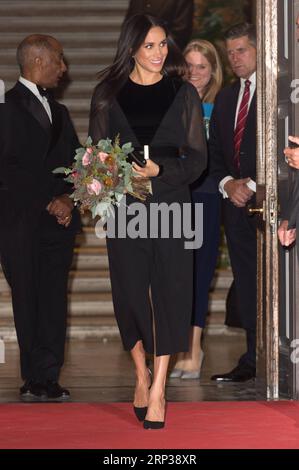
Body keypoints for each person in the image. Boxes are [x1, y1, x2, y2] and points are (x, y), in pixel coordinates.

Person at [89, 14, 207, 428]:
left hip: (173, 206)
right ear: (132, 48)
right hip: (125, 211)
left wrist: (161, 172)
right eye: (150, 46)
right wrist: (105, 176)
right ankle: (140, 372)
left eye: (162, 45)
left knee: (172, 294)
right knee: (131, 294)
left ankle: (158, 390)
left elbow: (197, 158)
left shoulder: (183, 93)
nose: (159, 54)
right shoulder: (107, 93)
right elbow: (98, 155)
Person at [0, 35, 81, 401]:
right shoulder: (5, 107)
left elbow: (78, 164)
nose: (63, 70)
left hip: (58, 224)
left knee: (53, 300)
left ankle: (48, 376)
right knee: (28, 299)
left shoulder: (61, 112)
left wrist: (68, 198)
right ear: (36, 60)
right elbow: (7, 169)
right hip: (19, 222)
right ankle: (33, 376)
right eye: (59, 61)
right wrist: (50, 200)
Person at [169, 39, 223, 379]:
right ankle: (176, 346)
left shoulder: (222, 104)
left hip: (205, 195)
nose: (194, 72)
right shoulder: (172, 99)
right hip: (173, 195)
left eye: (202, 66)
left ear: (213, 70)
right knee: (175, 273)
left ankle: (193, 347)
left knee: (199, 272)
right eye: (189, 66)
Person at [209, 23, 257, 382]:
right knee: (245, 281)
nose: (234, 58)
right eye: (229, 52)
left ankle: (278, 356)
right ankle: (254, 356)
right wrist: (228, 184)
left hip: (270, 203)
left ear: (259, 49)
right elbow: (215, 153)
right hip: (234, 205)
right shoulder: (226, 98)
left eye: (241, 50)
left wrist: (251, 184)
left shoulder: (280, 93)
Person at [123, 0, 194, 50]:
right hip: (134, 56)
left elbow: (181, 32)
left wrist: (153, 49)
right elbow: (128, 24)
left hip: (166, 59)